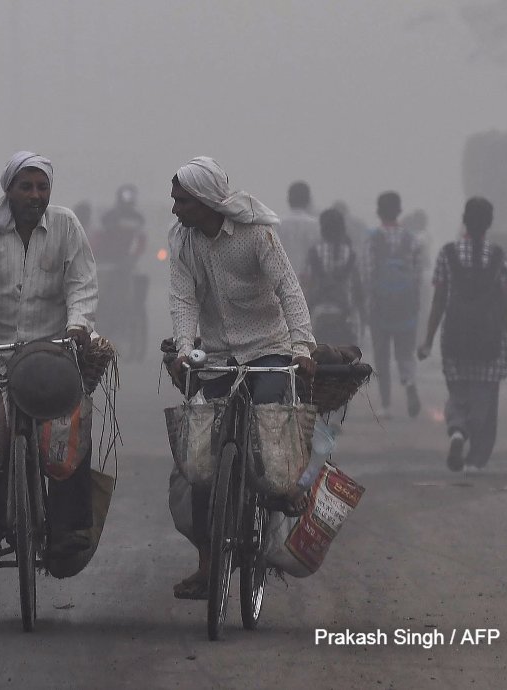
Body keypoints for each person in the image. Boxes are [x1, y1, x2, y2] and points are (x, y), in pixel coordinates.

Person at [165, 157, 316, 599]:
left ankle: (281, 491)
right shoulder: (181, 241)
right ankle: (207, 563)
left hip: (268, 349)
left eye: (181, 201)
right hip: (215, 355)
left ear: (207, 201)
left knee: (271, 423)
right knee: (199, 462)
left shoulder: (256, 235)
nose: (174, 209)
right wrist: (183, 349)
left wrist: (302, 348)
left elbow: (290, 290)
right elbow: (182, 298)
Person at [0, 151, 98, 556]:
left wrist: (79, 324)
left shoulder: (66, 225)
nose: (35, 195)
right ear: (8, 190)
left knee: (71, 427)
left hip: (50, 351)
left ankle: (70, 526)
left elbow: (81, 283)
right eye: (26, 187)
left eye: (42, 187)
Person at [417, 198, 507, 471]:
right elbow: (506, 303)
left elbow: (438, 301)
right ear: (489, 223)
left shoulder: (447, 254)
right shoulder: (498, 256)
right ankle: (476, 458)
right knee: (484, 396)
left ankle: (457, 430)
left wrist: (427, 340)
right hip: (490, 338)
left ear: (464, 220)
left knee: (458, 391)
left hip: (455, 337)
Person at [362, 191, 423, 419]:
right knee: (405, 352)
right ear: (399, 211)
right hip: (405, 306)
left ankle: (386, 405)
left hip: (380, 307)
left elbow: (367, 274)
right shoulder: (411, 239)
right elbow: (417, 275)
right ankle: (409, 384)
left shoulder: (373, 238)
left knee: (382, 355)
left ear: (379, 212)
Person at [305, 208, 365, 344]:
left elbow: (306, 282)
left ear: (322, 229)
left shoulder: (314, 252)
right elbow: (358, 287)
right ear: (343, 229)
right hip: (346, 311)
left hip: (318, 312)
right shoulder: (351, 253)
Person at [277, 180, 320, 280]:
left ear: (288, 199)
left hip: (283, 278)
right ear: (308, 200)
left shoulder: (278, 224)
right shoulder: (316, 225)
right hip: (308, 279)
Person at [95, 184, 148, 266]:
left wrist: (134, 256)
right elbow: (101, 232)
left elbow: (140, 238)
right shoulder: (109, 216)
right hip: (107, 254)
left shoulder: (137, 218)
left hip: (127, 256)